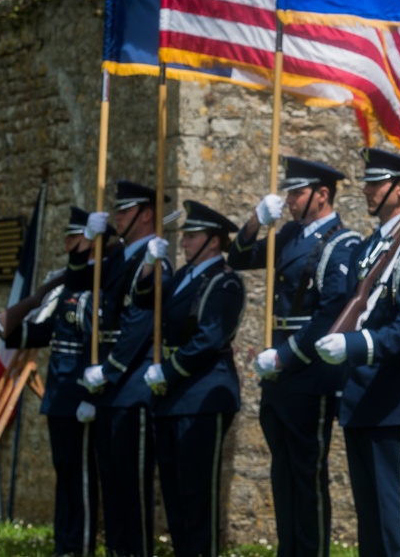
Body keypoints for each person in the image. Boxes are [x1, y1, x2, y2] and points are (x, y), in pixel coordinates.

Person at [227, 157, 362, 557]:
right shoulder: (287, 234)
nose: (289, 200)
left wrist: (285, 357)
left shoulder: (342, 242)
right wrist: (254, 219)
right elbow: (238, 258)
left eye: (297, 192)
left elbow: (331, 312)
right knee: (283, 472)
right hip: (280, 374)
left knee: (306, 474)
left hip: (309, 371)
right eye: (288, 192)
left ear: (322, 195)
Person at [314, 148, 400, 557]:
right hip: (358, 393)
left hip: (391, 395)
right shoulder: (372, 247)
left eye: (376, 183)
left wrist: (355, 345)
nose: (367, 191)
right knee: (368, 516)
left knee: (392, 513)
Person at [0, 206, 102, 556]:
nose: (66, 242)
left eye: (73, 236)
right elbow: (49, 331)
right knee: (64, 472)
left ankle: (80, 546)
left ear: (89, 240)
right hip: (60, 394)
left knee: (80, 477)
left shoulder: (99, 283)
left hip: (83, 394)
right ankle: (64, 544)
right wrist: (11, 331)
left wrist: (92, 396)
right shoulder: (68, 284)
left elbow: (97, 341)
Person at [143, 200, 244, 557]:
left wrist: (168, 371)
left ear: (213, 241)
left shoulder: (224, 282)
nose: (183, 242)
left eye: (191, 236)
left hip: (203, 394)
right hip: (172, 394)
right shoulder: (183, 277)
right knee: (173, 488)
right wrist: (147, 265)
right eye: (183, 236)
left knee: (197, 489)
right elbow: (144, 301)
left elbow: (210, 337)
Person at [78, 180, 172, 557]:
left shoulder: (153, 260)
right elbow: (78, 283)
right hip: (107, 389)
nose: (116, 216)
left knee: (133, 490)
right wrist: (87, 242)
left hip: (131, 386)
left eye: (124, 210)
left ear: (145, 214)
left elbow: (141, 322)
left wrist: (110, 370)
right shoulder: (116, 257)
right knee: (113, 488)